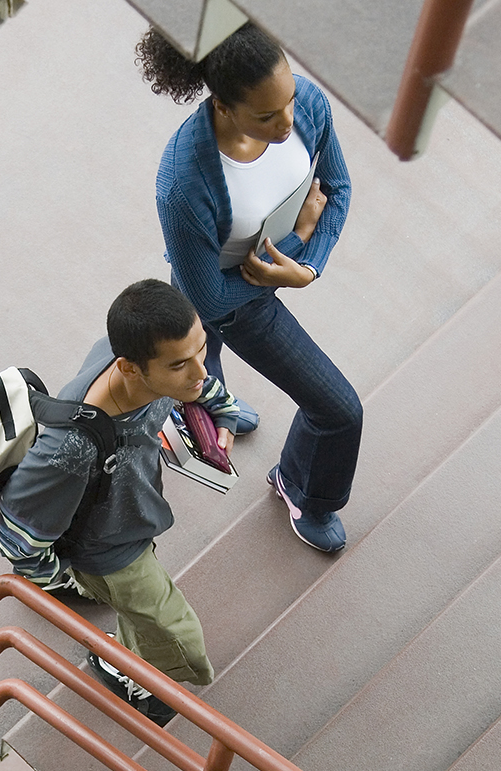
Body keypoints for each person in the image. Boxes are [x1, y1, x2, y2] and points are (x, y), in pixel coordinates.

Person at [138, 21, 358, 553]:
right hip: (225, 294)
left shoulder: (304, 102)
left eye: (287, 101)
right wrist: (300, 244)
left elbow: (340, 186)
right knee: (339, 412)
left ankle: (208, 406)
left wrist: (304, 267)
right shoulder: (184, 182)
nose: (287, 121)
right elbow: (209, 299)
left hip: (265, 268)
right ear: (224, 106)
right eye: (265, 115)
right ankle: (302, 488)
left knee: (204, 385)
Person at [0, 280, 245, 727]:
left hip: (134, 515)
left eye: (201, 350)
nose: (199, 373)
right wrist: (65, 582)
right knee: (179, 636)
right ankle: (132, 676)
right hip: (109, 551)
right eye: (179, 365)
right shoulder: (71, 447)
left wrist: (223, 408)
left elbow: (196, 384)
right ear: (129, 368)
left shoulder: (139, 362)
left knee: (143, 618)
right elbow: (16, 532)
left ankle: (125, 654)